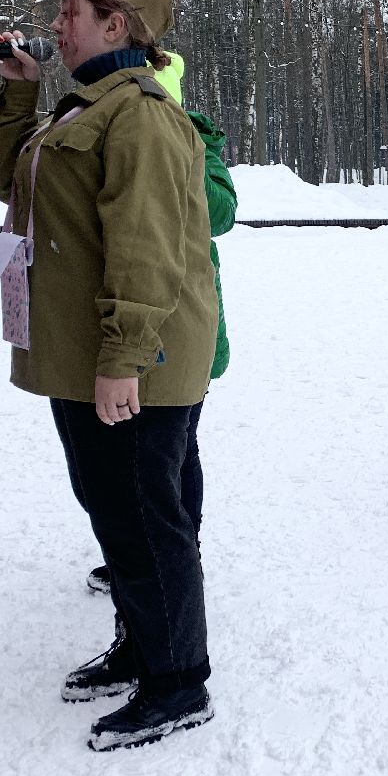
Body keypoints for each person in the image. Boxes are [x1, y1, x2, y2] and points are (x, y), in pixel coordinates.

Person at [0, 0, 218, 751]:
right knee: (116, 514)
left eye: (69, 11)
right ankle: (141, 644)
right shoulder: (80, 109)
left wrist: (123, 359)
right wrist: (18, 96)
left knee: (152, 523)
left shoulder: (142, 114)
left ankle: (180, 681)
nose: (55, 23)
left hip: (134, 365)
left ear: (115, 21)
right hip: (89, 359)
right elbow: (5, 182)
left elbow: (146, 251)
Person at [84, 50, 237, 596]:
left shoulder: (193, 136)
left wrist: (175, 158)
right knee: (138, 463)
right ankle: (147, 553)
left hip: (184, 328)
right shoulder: (109, 120)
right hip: (132, 319)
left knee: (174, 452)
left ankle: (177, 553)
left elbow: (221, 213)